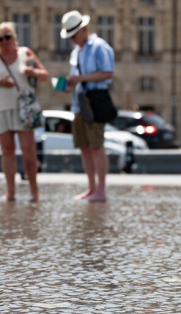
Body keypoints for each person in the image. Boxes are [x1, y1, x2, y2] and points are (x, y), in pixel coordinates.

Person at [0, 22, 48, 202]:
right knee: (7, 150)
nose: (4, 41)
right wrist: (0, 82)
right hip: (1, 108)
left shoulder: (26, 53)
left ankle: (34, 191)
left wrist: (33, 71)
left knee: (28, 149)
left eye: (7, 37)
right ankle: (10, 192)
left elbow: (45, 75)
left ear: (14, 38)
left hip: (23, 108)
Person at [62, 10, 114, 202]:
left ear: (83, 29)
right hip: (80, 104)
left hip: (95, 103)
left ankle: (101, 190)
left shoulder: (100, 47)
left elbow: (108, 73)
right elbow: (76, 77)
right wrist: (68, 84)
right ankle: (91, 188)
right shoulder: (77, 51)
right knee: (84, 147)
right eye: (70, 36)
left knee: (96, 146)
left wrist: (80, 78)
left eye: (74, 35)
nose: (72, 40)